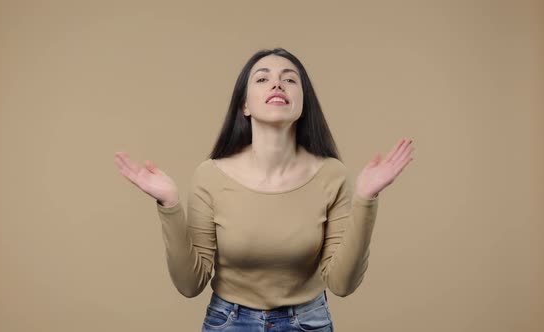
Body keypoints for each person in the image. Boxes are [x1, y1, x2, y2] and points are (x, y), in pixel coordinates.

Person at [114, 47, 414, 331]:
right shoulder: (210, 175)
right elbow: (190, 285)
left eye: (289, 79)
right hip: (228, 321)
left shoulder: (331, 174)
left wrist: (366, 198)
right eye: (262, 78)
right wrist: (170, 204)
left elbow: (342, 285)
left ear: (302, 102)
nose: (277, 85)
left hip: (309, 322)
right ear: (244, 105)